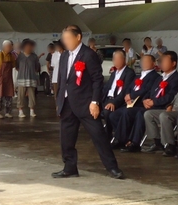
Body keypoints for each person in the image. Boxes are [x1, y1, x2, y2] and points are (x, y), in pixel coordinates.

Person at [52, 25, 124, 179]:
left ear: (78, 37)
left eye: (68, 38)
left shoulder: (88, 55)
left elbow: (97, 80)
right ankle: (69, 167)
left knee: (99, 136)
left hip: (86, 103)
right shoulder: (64, 56)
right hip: (67, 103)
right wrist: (59, 100)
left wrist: (95, 102)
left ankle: (112, 167)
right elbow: (62, 80)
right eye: (64, 39)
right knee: (66, 138)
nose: (65, 42)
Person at [113, 51, 178, 152]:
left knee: (140, 113)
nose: (162, 63)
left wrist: (154, 102)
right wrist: (145, 100)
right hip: (150, 105)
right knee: (126, 112)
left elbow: (170, 96)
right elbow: (150, 92)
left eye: (165, 61)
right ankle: (122, 139)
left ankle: (135, 142)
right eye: (161, 61)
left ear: (173, 63)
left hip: (161, 106)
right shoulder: (160, 77)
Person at [143, 55, 178, 157]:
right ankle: (157, 141)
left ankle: (170, 145)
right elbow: (175, 97)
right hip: (174, 109)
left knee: (164, 116)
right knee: (149, 114)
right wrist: (170, 105)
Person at [109, 55, 160, 150]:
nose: (143, 63)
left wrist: (132, 96)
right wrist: (127, 94)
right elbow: (129, 87)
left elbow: (146, 89)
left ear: (153, 64)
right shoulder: (138, 75)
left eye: (146, 61)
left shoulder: (155, 76)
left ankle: (121, 139)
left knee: (127, 113)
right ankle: (125, 139)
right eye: (142, 61)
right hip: (130, 103)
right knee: (114, 115)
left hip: (140, 104)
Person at [102, 49, 135, 141]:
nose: (116, 61)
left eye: (118, 59)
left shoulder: (129, 73)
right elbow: (106, 88)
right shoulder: (113, 73)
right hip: (107, 99)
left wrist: (114, 102)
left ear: (124, 59)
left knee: (108, 112)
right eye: (114, 59)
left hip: (118, 101)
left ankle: (109, 136)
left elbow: (125, 91)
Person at [16, 39, 40, 118]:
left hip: (31, 78)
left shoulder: (34, 57)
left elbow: (37, 67)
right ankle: (20, 111)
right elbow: (17, 67)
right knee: (20, 95)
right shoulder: (20, 56)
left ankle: (32, 110)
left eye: (30, 46)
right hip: (21, 78)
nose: (29, 48)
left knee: (32, 95)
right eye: (27, 46)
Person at [51, 40, 65, 104]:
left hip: (64, 77)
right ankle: (57, 105)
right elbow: (53, 66)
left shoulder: (66, 53)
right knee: (56, 92)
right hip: (56, 76)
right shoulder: (54, 55)